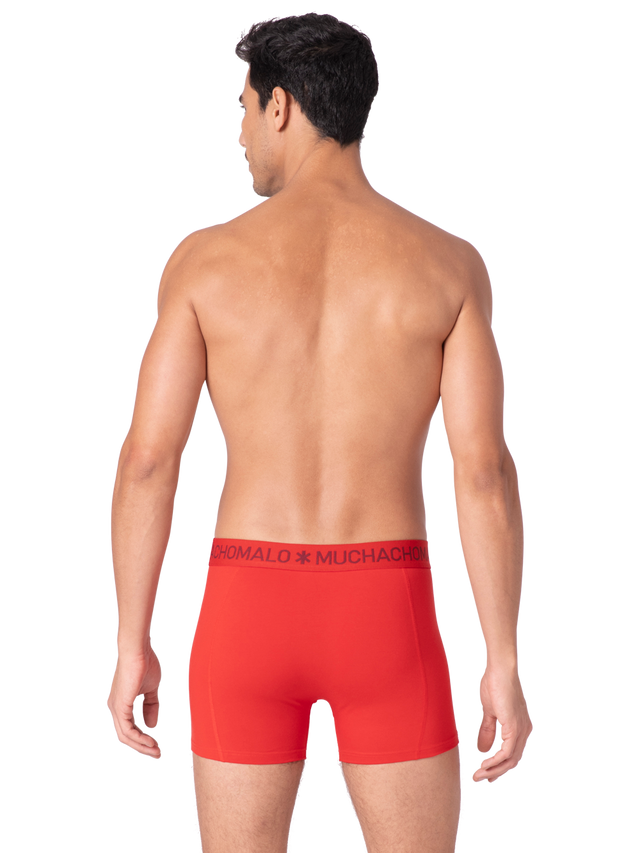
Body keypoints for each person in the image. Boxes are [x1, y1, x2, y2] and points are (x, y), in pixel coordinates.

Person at [105, 11, 534, 852]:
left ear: (280, 107)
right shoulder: (448, 263)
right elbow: (483, 472)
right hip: (387, 611)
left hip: (246, 609)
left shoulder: (203, 261)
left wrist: (131, 640)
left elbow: (149, 462)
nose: (238, 134)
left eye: (241, 109)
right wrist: (504, 660)